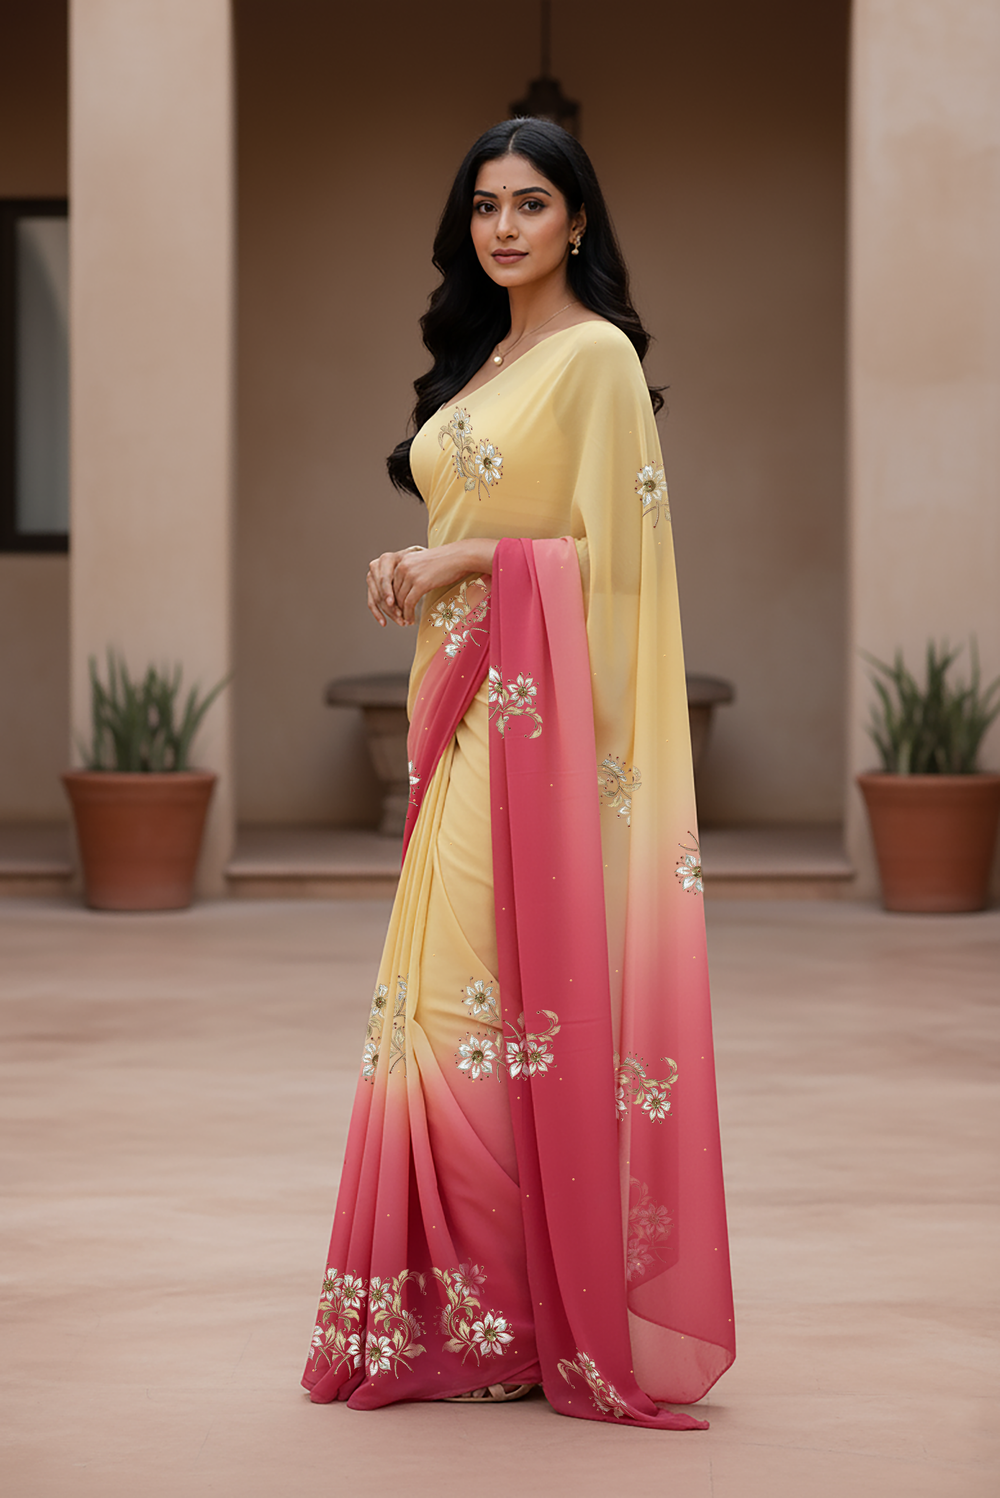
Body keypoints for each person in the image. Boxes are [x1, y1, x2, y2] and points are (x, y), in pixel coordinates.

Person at [302, 118, 734, 1428]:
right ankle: (474, 1311)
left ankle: (536, 1316)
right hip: (466, 706)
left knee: (486, 1009)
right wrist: (423, 560)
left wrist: (462, 564)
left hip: (533, 722)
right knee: (433, 1011)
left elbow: (617, 565)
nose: (503, 226)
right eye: (485, 204)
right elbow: (483, 514)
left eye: (531, 203)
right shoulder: (485, 358)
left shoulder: (597, 359)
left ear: (578, 223)